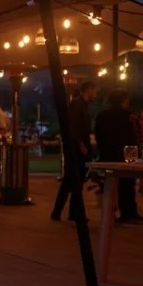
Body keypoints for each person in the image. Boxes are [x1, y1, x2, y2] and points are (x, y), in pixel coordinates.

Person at [95, 90, 143, 223]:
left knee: (110, 185)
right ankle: (128, 212)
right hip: (127, 153)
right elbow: (137, 135)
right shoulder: (130, 116)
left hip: (108, 154)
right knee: (128, 184)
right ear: (124, 100)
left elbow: (98, 135)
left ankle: (109, 212)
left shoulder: (102, 116)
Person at [51, 81, 97, 222]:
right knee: (75, 181)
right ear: (89, 89)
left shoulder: (80, 105)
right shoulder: (78, 105)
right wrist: (81, 144)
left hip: (76, 148)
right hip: (77, 149)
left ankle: (63, 212)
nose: (96, 94)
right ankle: (72, 212)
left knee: (70, 181)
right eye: (95, 91)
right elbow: (74, 126)